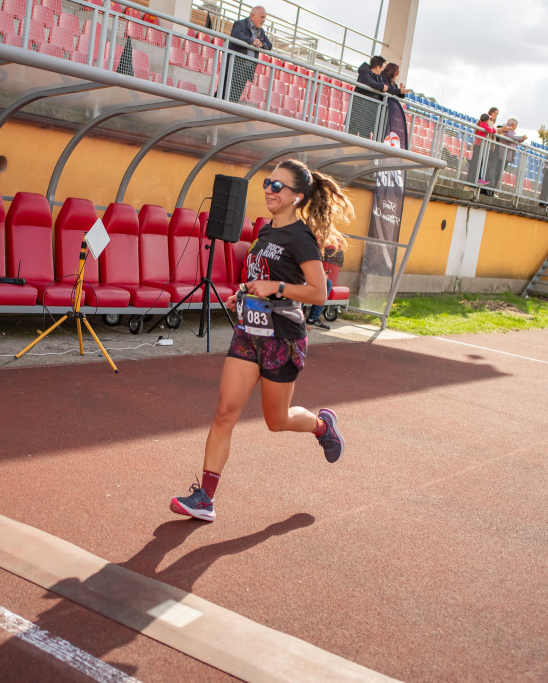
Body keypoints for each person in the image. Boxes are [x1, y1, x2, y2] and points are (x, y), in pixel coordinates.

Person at [170, 159, 353, 522]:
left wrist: (277, 287)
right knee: (225, 412)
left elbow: (319, 292)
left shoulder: (302, 238)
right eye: (268, 183)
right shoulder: (266, 232)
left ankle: (322, 426)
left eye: (278, 186)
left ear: (296, 197)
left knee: (277, 420)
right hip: (249, 333)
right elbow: (262, 276)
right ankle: (205, 498)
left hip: (282, 339)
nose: (269, 190)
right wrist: (245, 292)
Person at [226, 6, 272, 103]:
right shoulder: (240, 24)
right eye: (262, 17)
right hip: (235, 65)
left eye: (264, 18)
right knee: (225, 92)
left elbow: (269, 45)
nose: (263, 20)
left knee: (235, 95)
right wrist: (251, 41)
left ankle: (222, 114)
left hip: (247, 68)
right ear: (252, 15)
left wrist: (261, 44)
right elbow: (236, 34)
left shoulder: (261, 31)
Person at [305, 246, 343, 329]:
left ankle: (313, 318)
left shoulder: (314, 250)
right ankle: (298, 320)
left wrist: (322, 275)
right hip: (297, 276)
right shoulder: (302, 245)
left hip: (308, 276)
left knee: (327, 283)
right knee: (303, 283)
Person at [348, 55, 386, 137]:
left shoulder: (378, 77)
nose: (382, 70)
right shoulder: (364, 72)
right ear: (378, 67)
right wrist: (381, 87)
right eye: (382, 68)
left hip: (368, 112)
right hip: (359, 109)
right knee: (352, 132)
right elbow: (368, 82)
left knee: (365, 135)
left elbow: (381, 85)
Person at [487, 116, 526, 188]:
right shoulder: (507, 129)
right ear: (514, 124)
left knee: (498, 173)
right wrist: (520, 138)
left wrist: (520, 139)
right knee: (496, 173)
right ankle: (490, 189)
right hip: (502, 155)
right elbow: (511, 137)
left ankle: (492, 189)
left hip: (506, 156)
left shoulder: (511, 131)